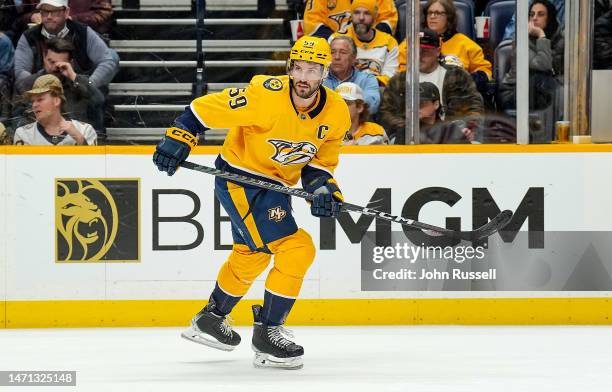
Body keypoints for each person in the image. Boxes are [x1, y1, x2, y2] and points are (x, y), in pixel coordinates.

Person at [152, 36, 350, 370]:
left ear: (325, 73)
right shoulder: (266, 95)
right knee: (297, 248)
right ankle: (268, 333)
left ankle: (212, 318)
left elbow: (318, 164)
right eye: (298, 67)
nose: (303, 76)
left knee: (252, 254)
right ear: (289, 68)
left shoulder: (337, 112)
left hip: (277, 186)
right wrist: (180, 135)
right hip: (242, 178)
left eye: (313, 70)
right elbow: (203, 109)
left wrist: (325, 190)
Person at [379, 29, 483, 143]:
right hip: (408, 136)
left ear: (438, 51)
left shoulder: (457, 76)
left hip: (451, 134)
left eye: (424, 51)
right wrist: (409, 128)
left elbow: (474, 105)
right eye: (413, 51)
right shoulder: (398, 81)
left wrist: (467, 127)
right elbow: (386, 113)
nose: (418, 56)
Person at [14, 0, 119, 95]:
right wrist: (40, 87)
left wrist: (88, 85)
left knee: (111, 57)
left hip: (79, 94)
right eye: (45, 11)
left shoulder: (83, 32)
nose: (49, 16)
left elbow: (107, 61)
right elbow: (21, 72)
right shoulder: (28, 36)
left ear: (66, 12)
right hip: (41, 93)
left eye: (55, 11)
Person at [14, 37, 105, 131]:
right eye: (51, 62)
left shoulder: (79, 83)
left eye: (60, 63)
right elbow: (17, 120)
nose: (54, 67)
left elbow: (99, 100)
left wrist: (74, 76)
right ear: (44, 58)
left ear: (71, 63)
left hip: (74, 138)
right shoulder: (26, 84)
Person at [499, 0, 563, 111]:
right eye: (531, 14)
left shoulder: (561, 40)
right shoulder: (521, 41)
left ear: (550, 18)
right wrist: (541, 36)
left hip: (544, 93)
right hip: (515, 93)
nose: (534, 18)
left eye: (541, 14)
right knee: (540, 78)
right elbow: (543, 65)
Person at [422, 0, 492, 91]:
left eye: (438, 13)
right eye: (429, 13)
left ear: (449, 17)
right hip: (422, 95)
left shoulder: (466, 44)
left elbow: (485, 71)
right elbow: (401, 71)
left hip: (457, 95)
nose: (432, 16)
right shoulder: (412, 42)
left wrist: (463, 81)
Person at [13, 74, 97, 145]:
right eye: (33, 101)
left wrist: (80, 139)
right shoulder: (23, 134)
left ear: (56, 101)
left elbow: (95, 163)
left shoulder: (85, 131)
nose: (34, 105)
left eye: (40, 99)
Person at [331, 0, 399, 86]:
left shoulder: (389, 42)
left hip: (376, 90)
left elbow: (390, 77)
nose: (361, 18)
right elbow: (330, 73)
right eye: (356, 12)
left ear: (374, 18)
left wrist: (366, 83)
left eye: (367, 13)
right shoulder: (336, 39)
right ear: (351, 16)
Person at [323, 36, 380, 114]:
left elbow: (372, 106)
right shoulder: (319, 78)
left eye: (343, 52)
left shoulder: (367, 80)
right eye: (332, 52)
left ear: (353, 57)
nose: (337, 57)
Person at [304, 0, 398, 38]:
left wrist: (368, 39)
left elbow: (388, 20)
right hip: (332, 52)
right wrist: (337, 43)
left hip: (371, 50)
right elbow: (312, 22)